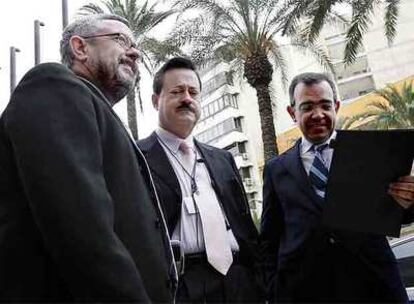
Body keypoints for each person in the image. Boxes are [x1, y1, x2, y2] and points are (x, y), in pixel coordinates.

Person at [0, 14, 177, 302]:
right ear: (80, 48)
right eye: (120, 39)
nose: (134, 52)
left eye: (135, 44)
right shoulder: (53, 85)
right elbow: (81, 231)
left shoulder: (99, 115)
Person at [260, 72, 414, 302]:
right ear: (293, 112)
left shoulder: (370, 153)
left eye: (325, 105)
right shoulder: (276, 170)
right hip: (307, 292)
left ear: (337, 106)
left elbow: (396, 213)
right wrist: (274, 289)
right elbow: (269, 240)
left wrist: (409, 200)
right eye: (307, 107)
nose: (318, 114)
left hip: (374, 286)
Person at [137, 57, 262, 302]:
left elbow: (245, 226)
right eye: (177, 91)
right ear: (155, 100)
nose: (187, 98)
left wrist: (258, 281)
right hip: (182, 286)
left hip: (239, 283)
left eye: (193, 92)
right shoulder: (136, 157)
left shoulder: (223, 159)